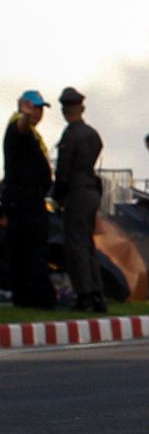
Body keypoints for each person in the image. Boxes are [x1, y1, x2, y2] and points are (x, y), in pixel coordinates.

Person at [52, 88, 105, 315]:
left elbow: (63, 171)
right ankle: (96, 293)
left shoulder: (70, 135)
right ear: (82, 109)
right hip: (91, 190)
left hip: (76, 192)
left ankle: (85, 295)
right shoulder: (92, 134)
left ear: (65, 111)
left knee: (76, 246)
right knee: (87, 244)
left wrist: (57, 196)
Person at [2, 91, 56, 309]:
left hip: (29, 200)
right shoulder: (18, 127)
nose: (38, 113)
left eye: (40, 108)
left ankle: (29, 297)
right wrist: (24, 116)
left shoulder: (33, 134)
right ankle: (37, 298)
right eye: (34, 108)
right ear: (23, 107)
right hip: (23, 201)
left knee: (27, 249)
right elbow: (21, 129)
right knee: (29, 250)